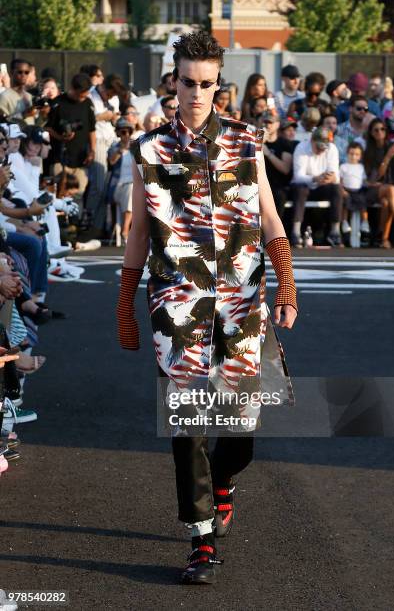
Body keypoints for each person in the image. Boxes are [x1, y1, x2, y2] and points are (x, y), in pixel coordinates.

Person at [116, 30, 297, 585]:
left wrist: (286, 281)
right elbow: (139, 230)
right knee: (188, 422)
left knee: (241, 430)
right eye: (187, 83)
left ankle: (223, 481)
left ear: (219, 85)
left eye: (207, 84)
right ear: (173, 81)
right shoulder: (148, 150)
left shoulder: (247, 139)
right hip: (178, 301)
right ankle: (200, 542)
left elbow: (267, 214)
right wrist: (126, 300)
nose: (196, 93)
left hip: (243, 299)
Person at [45, 73, 96, 213]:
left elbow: (92, 130)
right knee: (59, 193)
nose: (83, 97)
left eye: (86, 94)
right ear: (73, 88)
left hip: (81, 160)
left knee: (78, 194)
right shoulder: (57, 103)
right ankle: (60, 226)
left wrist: (92, 151)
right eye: (81, 94)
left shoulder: (88, 103)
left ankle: (75, 224)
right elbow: (47, 128)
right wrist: (60, 137)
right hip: (59, 158)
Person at [291, 126, 344, 247]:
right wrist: (315, 178)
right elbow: (298, 176)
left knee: (337, 189)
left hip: (323, 186)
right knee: (300, 189)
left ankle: (335, 231)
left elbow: (335, 174)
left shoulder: (332, 149)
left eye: (324, 147)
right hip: (305, 185)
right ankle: (296, 231)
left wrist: (330, 178)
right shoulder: (301, 148)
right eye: (318, 146)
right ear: (312, 141)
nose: (321, 150)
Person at [363, 118, 394, 248]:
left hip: (391, 188)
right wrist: (387, 157)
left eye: (382, 129)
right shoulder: (368, 151)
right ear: (371, 133)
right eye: (376, 130)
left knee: (386, 202)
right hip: (373, 188)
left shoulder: (391, 145)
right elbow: (376, 177)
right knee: (391, 190)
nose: (379, 132)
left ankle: (382, 238)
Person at [86, 75, 121, 235]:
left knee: (107, 186)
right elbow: (84, 120)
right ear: (103, 88)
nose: (111, 97)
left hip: (111, 138)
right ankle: (88, 222)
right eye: (110, 94)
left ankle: (98, 227)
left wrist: (115, 118)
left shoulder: (114, 99)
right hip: (97, 140)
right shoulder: (90, 96)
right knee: (98, 186)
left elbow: (114, 119)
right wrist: (101, 116)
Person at [262, 110, 295, 218]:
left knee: (278, 195)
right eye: (265, 122)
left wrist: (268, 154)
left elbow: (285, 169)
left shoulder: (284, 144)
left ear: (277, 124)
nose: (267, 125)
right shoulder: (256, 142)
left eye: (270, 122)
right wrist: (260, 143)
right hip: (261, 184)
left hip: (279, 185)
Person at [107, 118, 134, 243]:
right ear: (118, 133)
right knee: (131, 191)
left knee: (134, 190)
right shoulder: (114, 147)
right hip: (117, 186)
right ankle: (125, 230)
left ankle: (129, 231)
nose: (126, 135)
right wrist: (121, 150)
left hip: (133, 186)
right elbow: (112, 162)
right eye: (123, 132)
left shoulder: (136, 146)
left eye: (129, 132)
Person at [339, 142, 371, 246]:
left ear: (360, 156)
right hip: (347, 190)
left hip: (358, 190)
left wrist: (371, 184)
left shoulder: (361, 167)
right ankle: (345, 222)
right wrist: (342, 190)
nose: (353, 156)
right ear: (347, 153)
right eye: (351, 153)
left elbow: (364, 180)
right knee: (345, 203)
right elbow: (340, 180)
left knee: (363, 202)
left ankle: (365, 223)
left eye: (356, 154)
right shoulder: (343, 166)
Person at [0, 59, 36, 125]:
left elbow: (35, 123)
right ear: (11, 72)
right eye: (20, 72)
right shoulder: (4, 96)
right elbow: (3, 122)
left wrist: (44, 114)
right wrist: (23, 115)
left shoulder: (29, 96)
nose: (23, 75)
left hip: (31, 134)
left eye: (26, 72)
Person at [336, 95, 370, 163]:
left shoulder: (370, 131)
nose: (362, 111)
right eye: (359, 108)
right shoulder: (339, 130)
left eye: (365, 109)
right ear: (350, 109)